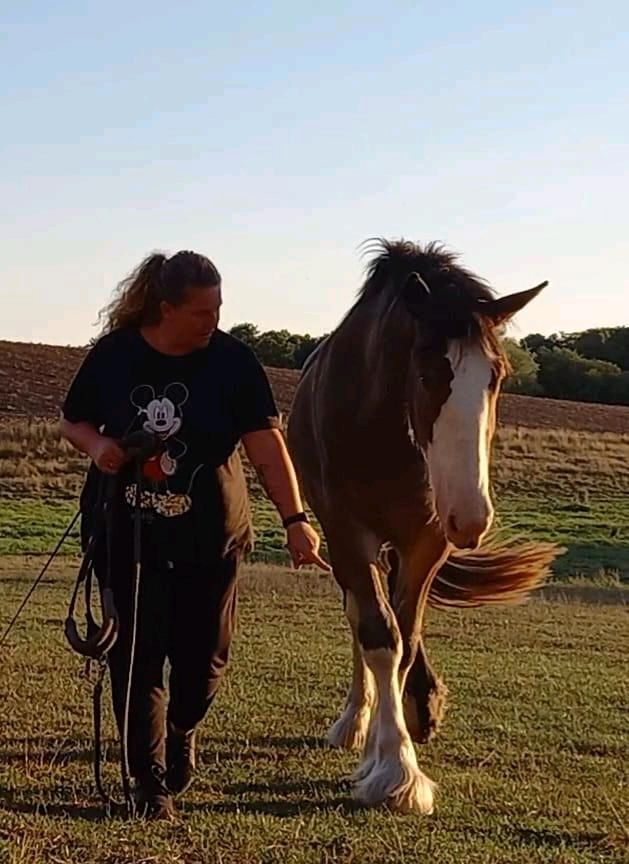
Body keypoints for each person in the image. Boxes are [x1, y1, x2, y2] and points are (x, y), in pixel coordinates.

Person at [59, 250, 328, 820]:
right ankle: (149, 784)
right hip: (127, 536)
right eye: (202, 311)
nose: (214, 321)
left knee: (203, 661)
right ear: (165, 309)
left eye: (219, 308)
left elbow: (266, 450)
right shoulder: (116, 354)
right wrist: (100, 447)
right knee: (135, 658)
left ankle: (184, 726)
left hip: (212, 538)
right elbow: (72, 419)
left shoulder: (233, 362)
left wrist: (296, 520)